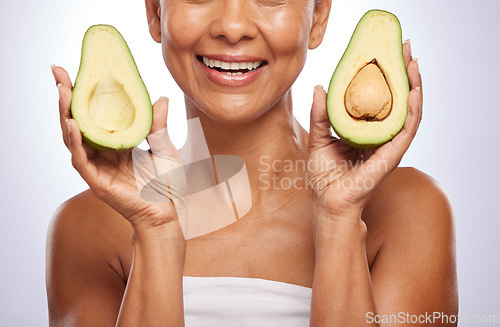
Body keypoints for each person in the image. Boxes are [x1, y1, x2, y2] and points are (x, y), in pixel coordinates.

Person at [47, 0, 458, 326]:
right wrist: (156, 233)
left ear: (317, 18)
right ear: (156, 12)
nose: (233, 25)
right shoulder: (88, 226)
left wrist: (339, 222)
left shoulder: (410, 209)